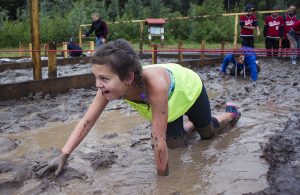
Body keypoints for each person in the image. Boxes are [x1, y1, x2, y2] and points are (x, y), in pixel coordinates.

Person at [39, 39, 241, 177]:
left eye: (104, 79)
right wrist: (63, 154)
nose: (97, 85)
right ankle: (189, 125)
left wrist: (163, 183)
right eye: (96, 78)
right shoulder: (107, 90)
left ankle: (230, 113)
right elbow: (87, 121)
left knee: (208, 134)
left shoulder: (155, 86)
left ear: (128, 78)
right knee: (176, 145)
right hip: (166, 109)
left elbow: (157, 139)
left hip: (188, 91)